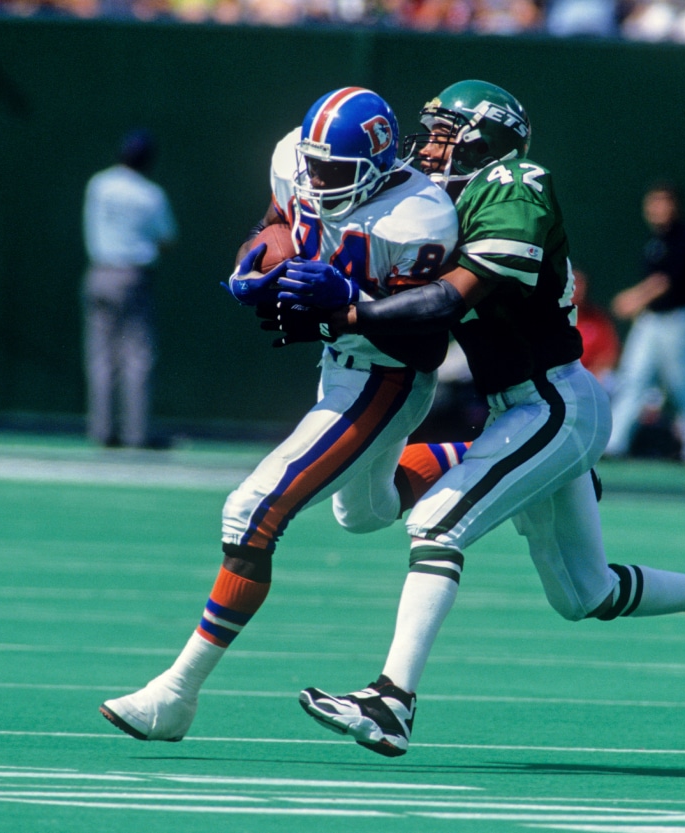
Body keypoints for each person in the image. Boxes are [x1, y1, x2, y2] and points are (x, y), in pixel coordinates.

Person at [268, 80, 685, 758]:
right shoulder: (438, 199)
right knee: (585, 592)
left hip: (553, 403)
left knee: (435, 521)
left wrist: (346, 312)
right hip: (525, 412)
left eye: (442, 132)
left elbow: (448, 302)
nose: (426, 146)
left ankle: (392, 699)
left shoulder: (516, 182)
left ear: (485, 138)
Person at [97, 87, 460, 741]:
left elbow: (428, 342)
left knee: (251, 509)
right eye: (313, 166)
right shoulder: (295, 157)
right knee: (364, 513)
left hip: (387, 373)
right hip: (337, 367)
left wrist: (348, 298)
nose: (317, 180)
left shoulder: (420, 216)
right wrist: (255, 258)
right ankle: (475, 459)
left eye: (334, 172)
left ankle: (175, 694)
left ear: (375, 167)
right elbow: (276, 218)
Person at [605, 182, 685, 465]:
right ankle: (614, 444)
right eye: (653, 202)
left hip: (682, 319)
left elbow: (664, 282)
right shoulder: (655, 241)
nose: (657, 208)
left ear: (676, 206)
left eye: (664, 202)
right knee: (633, 378)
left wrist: (633, 299)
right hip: (652, 321)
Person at [81, 129, 178, 449]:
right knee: (137, 356)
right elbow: (167, 240)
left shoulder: (99, 184)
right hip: (132, 275)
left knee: (101, 356)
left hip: (99, 272)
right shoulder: (150, 195)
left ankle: (102, 430)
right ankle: (136, 434)